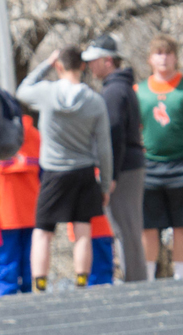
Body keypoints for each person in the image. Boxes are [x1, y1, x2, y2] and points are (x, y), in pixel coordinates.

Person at [16, 47, 112, 290]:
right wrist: (106, 182)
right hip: (84, 171)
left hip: (53, 172)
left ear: (59, 66)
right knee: (82, 230)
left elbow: (22, 91)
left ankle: (40, 284)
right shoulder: (95, 101)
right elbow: (104, 148)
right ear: (82, 66)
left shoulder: (48, 93)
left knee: (42, 231)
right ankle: (81, 281)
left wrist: (45, 64)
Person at [83, 34, 148, 281]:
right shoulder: (121, 87)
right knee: (127, 227)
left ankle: (136, 282)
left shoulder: (113, 91)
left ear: (108, 60)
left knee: (126, 228)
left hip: (125, 169)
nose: (90, 66)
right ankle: (136, 279)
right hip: (131, 165)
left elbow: (114, 135)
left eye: (94, 60)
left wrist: (111, 175)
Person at [137, 34, 183, 281]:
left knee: (181, 225)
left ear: (176, 57)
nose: (163, 58)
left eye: (168, 52)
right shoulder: (140, 91)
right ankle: (148, 275)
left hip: (180, 165)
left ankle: (180, 275)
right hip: (150, 167)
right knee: (149, 226)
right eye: (158, 53)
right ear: (150, 59)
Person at [0, 116, 41, 295]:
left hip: (5, 213)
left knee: (6, 267)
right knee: (32, 266)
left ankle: (6, 309)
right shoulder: (35, 135)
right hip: (33, 211)